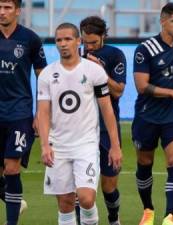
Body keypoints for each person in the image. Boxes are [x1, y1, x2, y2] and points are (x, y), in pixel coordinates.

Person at [37, 23, 122, 225]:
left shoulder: (94, 71)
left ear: (78, 41)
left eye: (68, 39)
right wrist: (44, 145)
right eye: (59, 40)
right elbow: (42, 112)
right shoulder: (47, 75)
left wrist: (115, 145)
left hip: (86, 144)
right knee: (66, 203)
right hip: (58, 145)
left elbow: (107, 108)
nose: (63, 44)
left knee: (86, 198)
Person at [132, 3, 173, 225]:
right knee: (144, 162)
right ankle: (148, 210)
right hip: (146, 116)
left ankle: (170, 216)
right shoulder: (145, 49)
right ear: (163, 21)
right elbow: (141, 86)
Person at [0, 0, 47, 224]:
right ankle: (15, 203)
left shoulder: (30, 39)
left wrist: (39, 114)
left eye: (7, 7)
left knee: (11, 168)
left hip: (19, 113)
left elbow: (43, 79)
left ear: (17, 11)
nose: (2, 12)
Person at [77, 15, 126, 225]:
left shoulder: (115, 55)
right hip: (81, 129)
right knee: (81, 187)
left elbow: (119, 92)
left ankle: (113, 218)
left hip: (107, 127)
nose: (89, 47)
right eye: (86, 42)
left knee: (108, 185)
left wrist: (100, 71)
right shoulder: (73, 55)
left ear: (103, 36)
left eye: (94, 43)